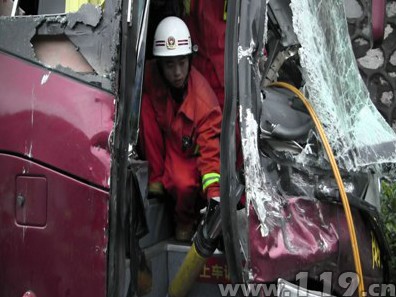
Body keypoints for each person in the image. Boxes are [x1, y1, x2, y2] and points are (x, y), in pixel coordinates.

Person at [139, 16, 222, 241]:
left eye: (182, 63)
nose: (177, 72)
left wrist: (215, 196)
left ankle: (185, 221)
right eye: (170, 64)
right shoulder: (149, 76)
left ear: (189, 60)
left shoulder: (205, 104)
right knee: (142, 105)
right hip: (163, 139)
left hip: (185, 154)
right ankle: (155, 179)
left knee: (183, 183)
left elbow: (211, 155)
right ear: (159, 64)